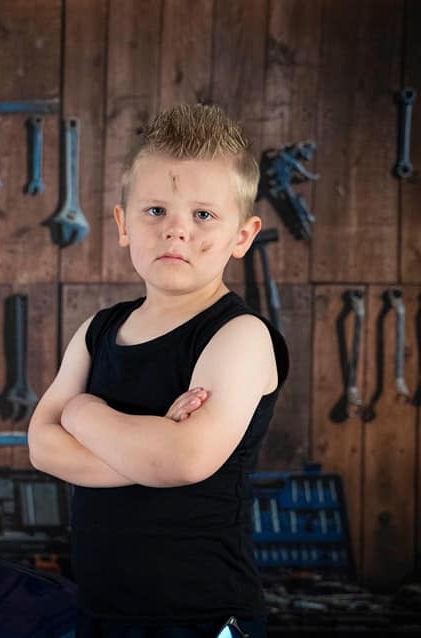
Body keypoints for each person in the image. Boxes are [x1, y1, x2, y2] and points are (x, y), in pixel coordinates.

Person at [27, 103, 289, 638]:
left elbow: (184, 459)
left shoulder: (239, 335)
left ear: (243, 236)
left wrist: (80, 411)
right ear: (124, 223)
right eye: (154, 212)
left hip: (203, 615)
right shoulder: (99, 330)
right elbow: (42, 446)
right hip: (103, 612)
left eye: (203, 215)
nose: (175, 232)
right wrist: (147, 451)